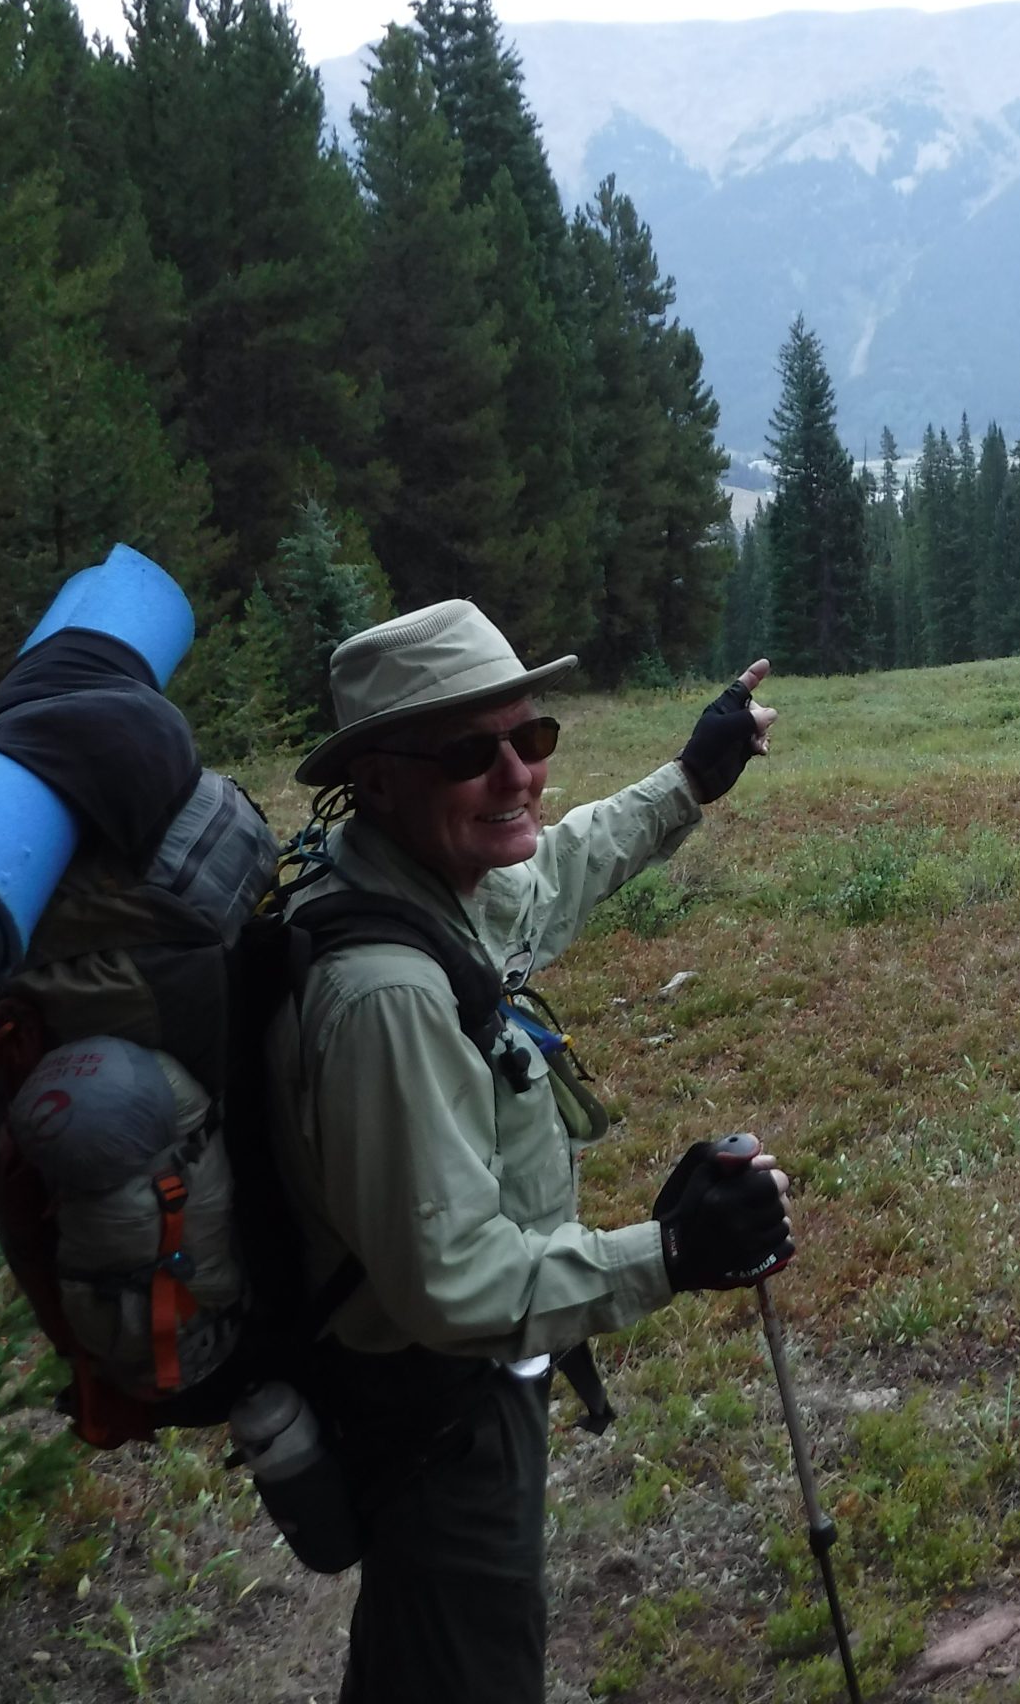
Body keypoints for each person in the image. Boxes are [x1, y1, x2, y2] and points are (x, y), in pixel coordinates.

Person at [265, 599, 797, 1701]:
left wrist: (689, 780)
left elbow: (548, 875)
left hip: (455, 1393)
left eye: (531, 737)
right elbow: (455, 1285)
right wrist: (672, 1250)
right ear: (376, 777)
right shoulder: (386, 1003)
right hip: (435, 1413)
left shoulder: (412, 884)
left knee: (426, 1653)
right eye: (471, 751)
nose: (518, 775)